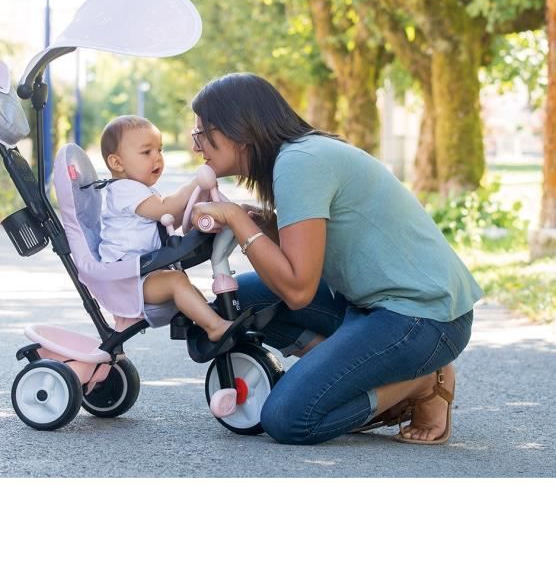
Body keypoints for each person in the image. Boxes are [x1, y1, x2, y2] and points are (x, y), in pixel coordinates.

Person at [188, 72, 483, 445]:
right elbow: (308, 252)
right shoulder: (296, 158)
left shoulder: (300, 162)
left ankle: (422, 383)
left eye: (202, 133)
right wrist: (259, 222)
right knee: (236, 303)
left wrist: (236, 219)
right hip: (370, 306)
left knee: (287, 418)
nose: (196, 146)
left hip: (423, 318)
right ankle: (349, 374)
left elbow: (298, 290)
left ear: (238, 128)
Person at [98, 115, 234, 343]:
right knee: (176, 282)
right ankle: (214, 327)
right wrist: (196, 183)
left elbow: (168, 221)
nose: (157, 158)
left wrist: (197, 206)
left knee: (185, 285)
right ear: (117, 163)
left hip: (143, 273)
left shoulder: (140, 190)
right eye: (146, 152)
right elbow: (165, 209)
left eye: (159, 150)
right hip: (128, 281)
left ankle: (211, 320)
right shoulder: (124, 190)